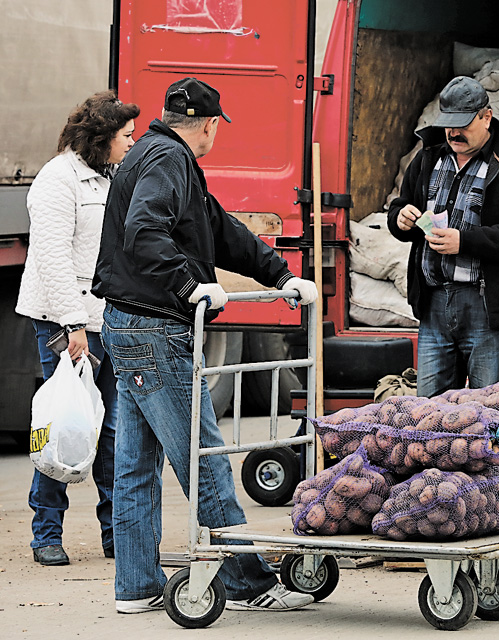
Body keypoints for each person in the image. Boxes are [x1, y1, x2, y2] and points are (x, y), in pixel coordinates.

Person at [91, 77, 318, 614]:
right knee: (205, 457)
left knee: (136, 465)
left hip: (128, 325)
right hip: (154, 329)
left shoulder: (158, 155)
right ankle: (246, 582)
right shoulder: (167, 161)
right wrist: (189, 285)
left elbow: (220, 230)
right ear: (212, 125)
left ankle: (137, 586)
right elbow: (144, 232)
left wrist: (280, 275)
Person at [16, 91, 140, 566]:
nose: (131, 142)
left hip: (106, 317)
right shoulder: (56, 179)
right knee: (64, 424)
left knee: (112, 428)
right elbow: (51, 259)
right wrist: (73, 325)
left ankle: (116, 534)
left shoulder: (112, 177)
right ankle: (46, 533)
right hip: (63, 320)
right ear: (101, 137)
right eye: (125, 136)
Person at [387, 76, 499, 398]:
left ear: (486, 117)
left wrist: (466, 242)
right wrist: (399, 218)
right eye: (448, 125)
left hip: (485, 307)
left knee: (487, 414)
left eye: (462, 124)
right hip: (433, 304)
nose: (453, 133)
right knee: (429, 416)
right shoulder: (429, 157)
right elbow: (402, 206)